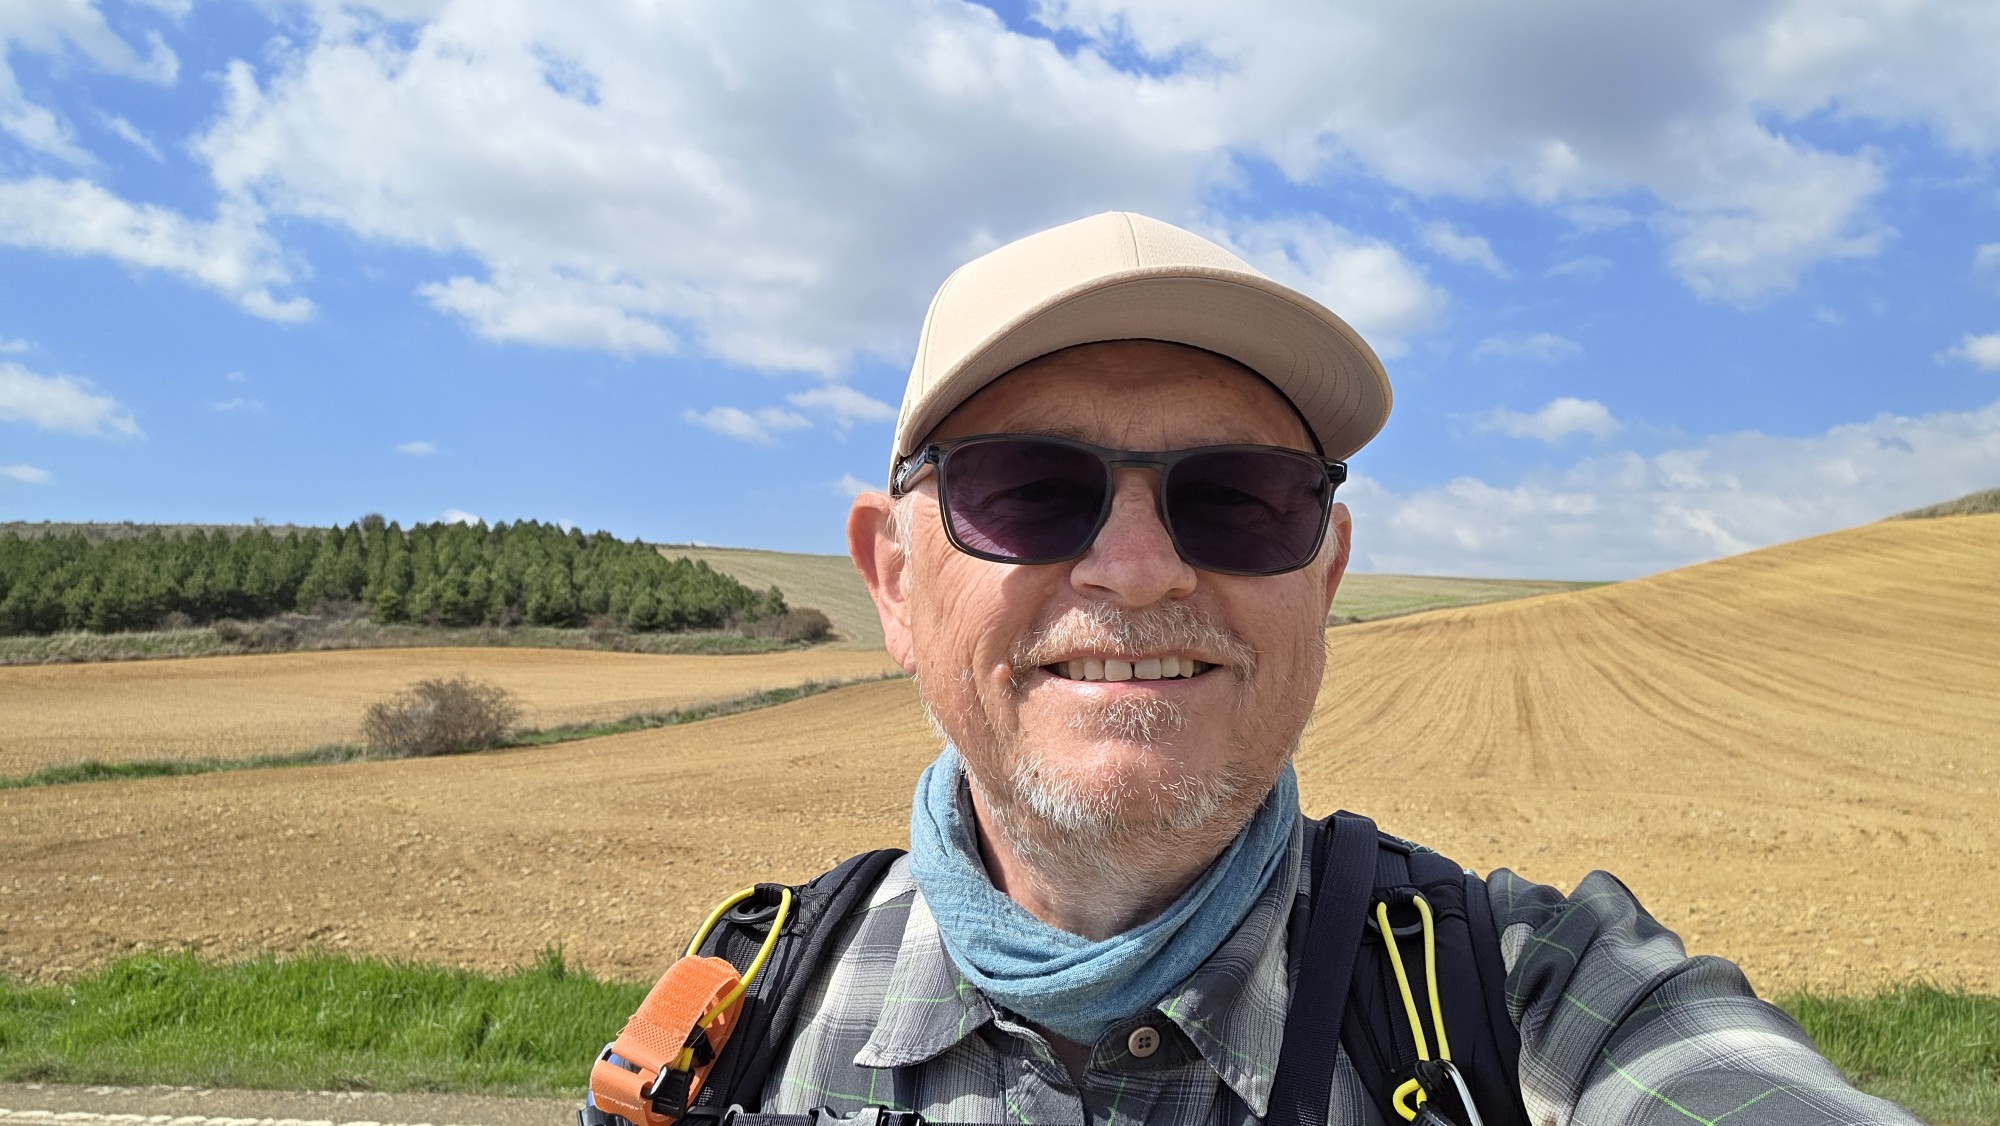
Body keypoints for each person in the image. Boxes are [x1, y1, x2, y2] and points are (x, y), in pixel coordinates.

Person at [751, 214, 1921, 1124]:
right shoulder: (733, 1023)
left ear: (1323, 577)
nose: (1140, 570)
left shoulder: (1528, 994)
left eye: (1239, 497)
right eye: (1027, 490)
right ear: (894, 583)